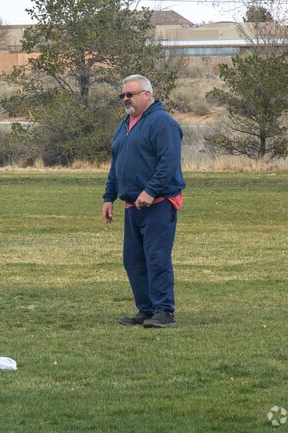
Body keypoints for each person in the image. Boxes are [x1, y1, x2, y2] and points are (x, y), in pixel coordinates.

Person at [102, 75, 186, 329]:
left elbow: (168, 163)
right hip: (132, 206)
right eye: (123, 95)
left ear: (147, 94)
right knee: (133, 260)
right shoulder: (124, 125)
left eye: (131, 94)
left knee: (156, 258)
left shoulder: (163, 123)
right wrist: (109, 196)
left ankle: (164, 311)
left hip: (158, 203)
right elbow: (117, 164)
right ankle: (146, 309)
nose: (126, 99)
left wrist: (151, 191)